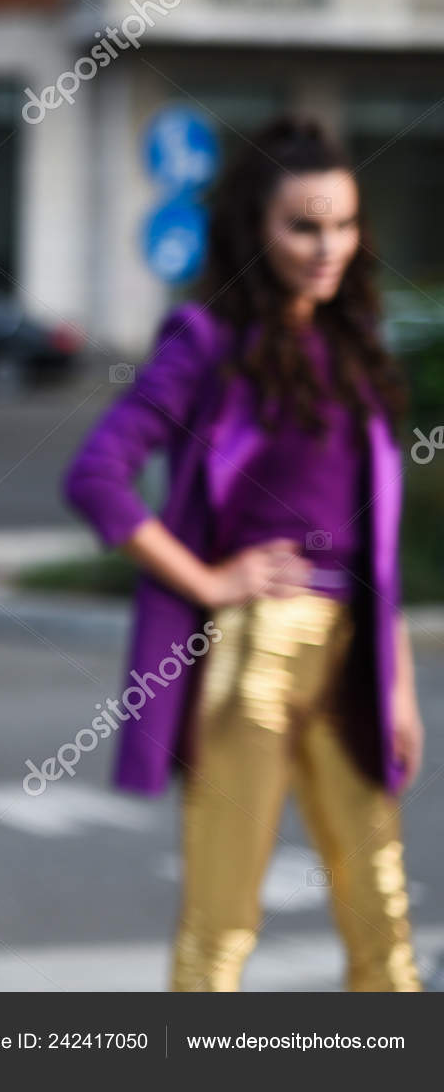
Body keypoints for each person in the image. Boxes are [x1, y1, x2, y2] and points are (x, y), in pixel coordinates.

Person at [62, 116, 423, 991]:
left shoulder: (357, 352)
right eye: (303, 225)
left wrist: (401, 682)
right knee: (223, 922)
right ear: (255, 228)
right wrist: (210, 581)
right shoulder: (209, 344)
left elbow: (378, 541)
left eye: (341, 224)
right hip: (249, 656)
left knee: (383, 919)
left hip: (352, 656)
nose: (326, 246)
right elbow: (97, 475)